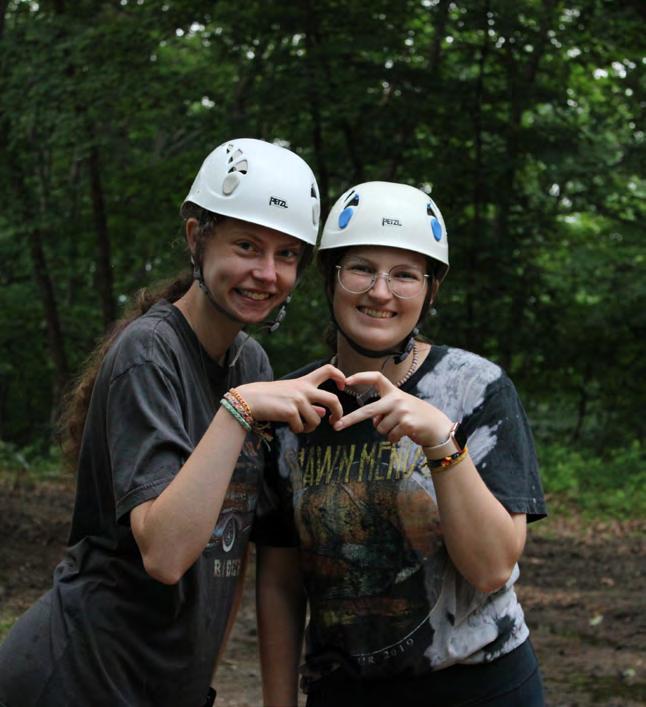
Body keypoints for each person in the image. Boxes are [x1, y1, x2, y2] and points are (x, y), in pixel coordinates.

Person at [0, 138, 345, 707]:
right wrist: (239, 409)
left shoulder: (249, 363)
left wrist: (197, 679)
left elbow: (232, 544)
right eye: (246, 245)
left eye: (287, 255)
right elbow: (164, 554)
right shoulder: (149, 354)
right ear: (196, 238)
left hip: (161, 682)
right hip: (78, 675)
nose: (266, 272)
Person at [255, 181, 547, 706]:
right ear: (330, 276)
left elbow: (492, 569)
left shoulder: (476, 388)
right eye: (361, 268)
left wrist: (440, 442)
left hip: (480, 686)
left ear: (431, 290)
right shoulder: (291, 405)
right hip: (344, 690)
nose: (380, 292)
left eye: (405, 275)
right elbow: (280, 583)